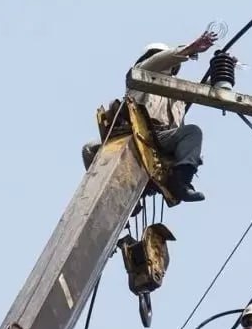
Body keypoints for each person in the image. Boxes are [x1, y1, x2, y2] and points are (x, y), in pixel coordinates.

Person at [82, 32, 221, 203]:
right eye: (155, 56)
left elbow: (204, 90)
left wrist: (223, 70)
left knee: (192, 132)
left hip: (164, 140)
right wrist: (190, 49)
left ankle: (180, 183)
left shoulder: (178, 91)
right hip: (139, 133)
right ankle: (112, 193)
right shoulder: (142, 72)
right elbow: (160, 60)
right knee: (90, 148)